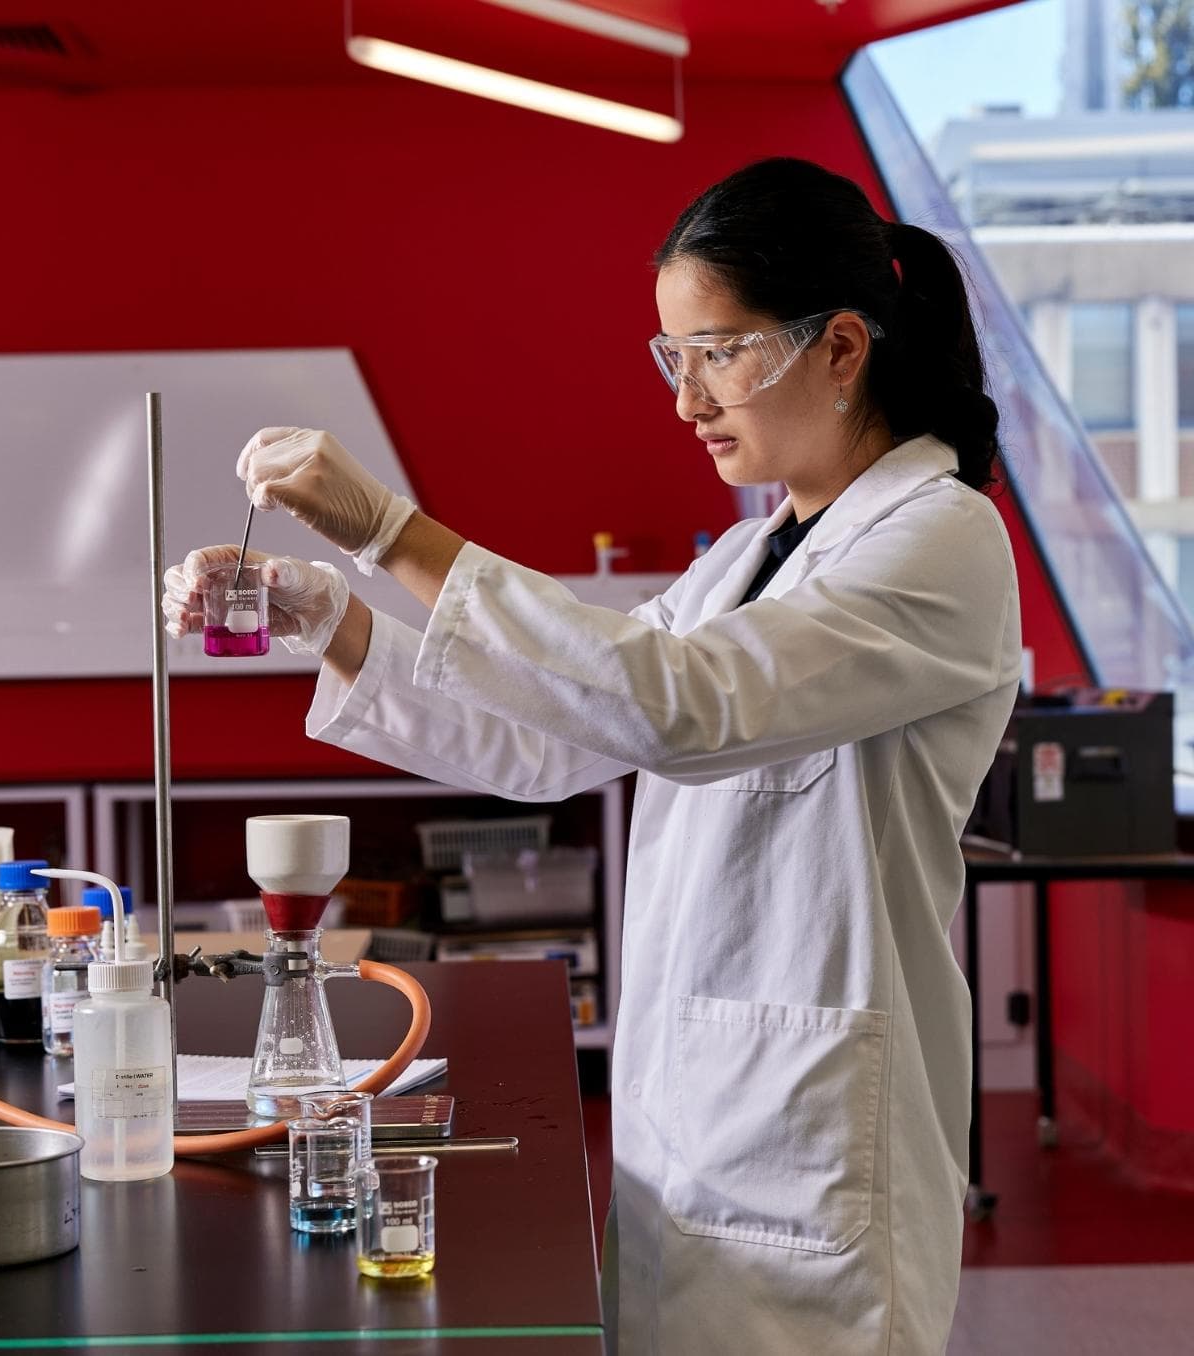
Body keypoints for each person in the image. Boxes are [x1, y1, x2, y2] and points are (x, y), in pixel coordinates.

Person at [163, 156, 1021, 1354]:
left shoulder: (942, 542)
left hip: (814, 1146)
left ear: (840, 349)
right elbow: (558, 734)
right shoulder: (751, 557)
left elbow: (676, 705)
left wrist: (393, 534)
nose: (689, 400)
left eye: (720, 352)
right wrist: (329, 617)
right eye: (674, 358)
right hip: (697, 1126)